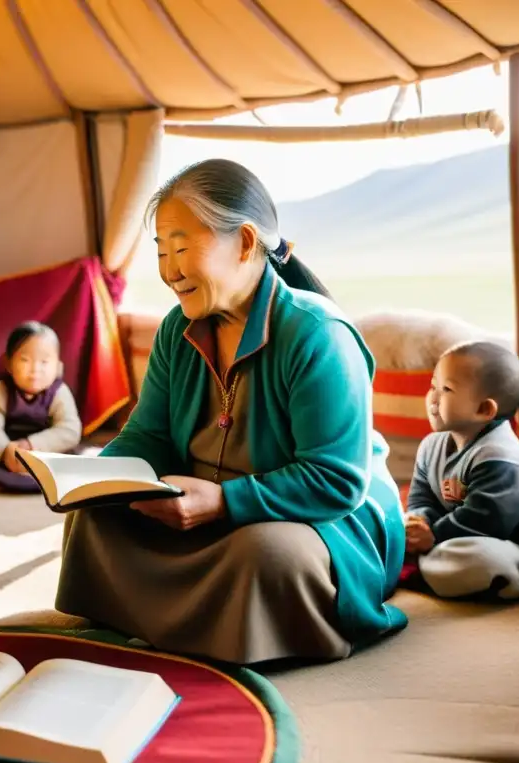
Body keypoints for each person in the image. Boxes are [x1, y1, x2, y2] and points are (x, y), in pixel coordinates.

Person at [55, 159, 408, 665]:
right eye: (160, 251)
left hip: (318, 520)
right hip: (204, 499)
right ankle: (207, 624)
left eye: (180, 248)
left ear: (244, 243)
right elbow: (148, 436)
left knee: (266, 557)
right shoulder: (176, 331)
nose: (169, 270)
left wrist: (224, 502)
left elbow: (336, 481)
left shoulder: (317, 334)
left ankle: (195, 622)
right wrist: (94, 479)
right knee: (96, 519)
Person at [404, 341, 519, 599]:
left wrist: (433, 536)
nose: (433, 397)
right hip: (449, 538)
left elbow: (488, 521)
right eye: (433, 386)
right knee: (386, 525)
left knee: (478, 559)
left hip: (516, 548)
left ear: (484, 409)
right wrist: (420, 523)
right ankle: (428, 563)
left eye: (446, 389)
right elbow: (421, 496)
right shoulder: (432, 446)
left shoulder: (502, 458)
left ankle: (422, 566)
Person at [0, 322, 82, 493]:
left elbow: (70, 430)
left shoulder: (59, 393)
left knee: (76, 459)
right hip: (8, 456)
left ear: (58, 367)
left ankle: (15, 485)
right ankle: (3, 483)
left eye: (44, 362)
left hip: (44, 455)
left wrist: (32, 445)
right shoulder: (1, 390)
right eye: (25, 360)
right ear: (8, 363)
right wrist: (5, 450)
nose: (35, 369)